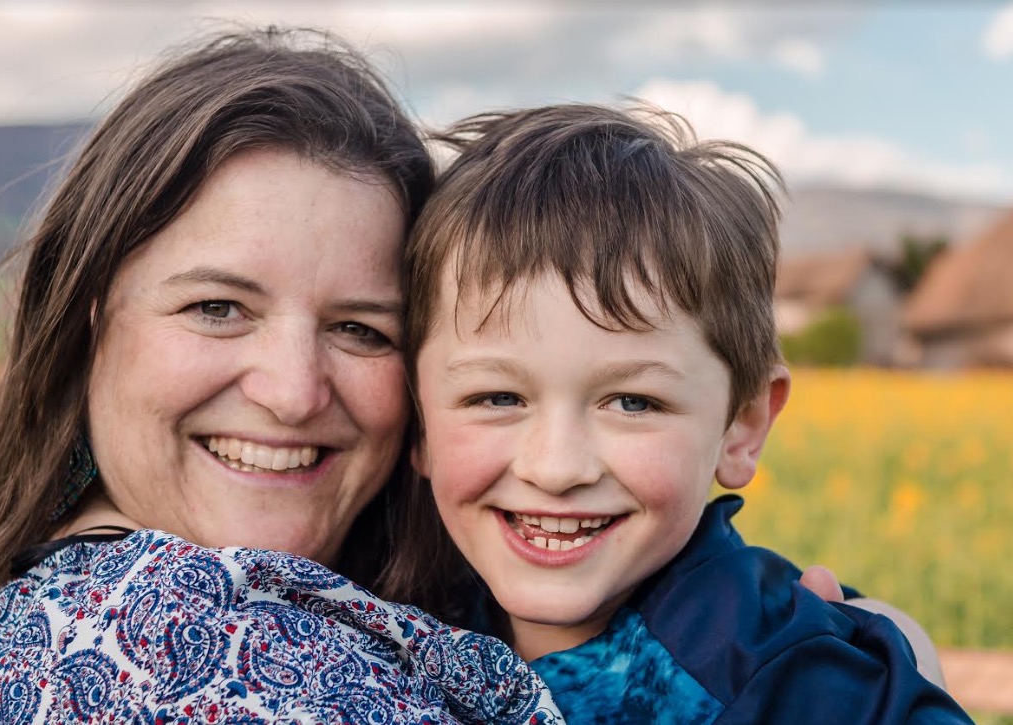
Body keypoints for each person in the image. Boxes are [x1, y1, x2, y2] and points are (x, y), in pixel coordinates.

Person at [0, 28, 560, 723]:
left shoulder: (44, 607)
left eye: (360, 329)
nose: (291, 393)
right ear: (86, 326)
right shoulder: (209, 666)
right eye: (217, 307)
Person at [395, 103, 971, 722]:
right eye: (498, 398)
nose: (556, 468)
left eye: (634, 402)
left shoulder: (779, 678)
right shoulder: (413, 615)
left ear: (742, 427)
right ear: (419, 418)